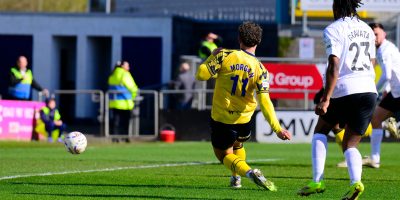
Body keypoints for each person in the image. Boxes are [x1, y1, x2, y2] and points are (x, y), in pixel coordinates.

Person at [196, 21, 292, 191]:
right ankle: (235, 179)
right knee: (238, 145)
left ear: (239, 38)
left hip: (223, 119)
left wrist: (212, 56)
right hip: (244, 121)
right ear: (258, 41)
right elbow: (265, 101)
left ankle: (248, 172)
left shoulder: (224, 55)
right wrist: (277, 129)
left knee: (224, 155)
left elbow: (201, 75)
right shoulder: (261, 69)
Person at [297, 1, 377, 199]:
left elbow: (334, 65)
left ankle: (317, 181)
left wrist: (326, 98)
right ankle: (355, 183)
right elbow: (372, 62)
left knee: (321, 131)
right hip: (368, 90)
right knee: (350, 144)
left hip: (344, 88)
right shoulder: (367, 29)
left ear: (337, 8)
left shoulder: (333, 29)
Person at [361, 23, 400, 168]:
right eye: (372, 35)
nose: (374, 37)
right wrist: (387, 88)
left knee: (376, 118)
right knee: (376, 118)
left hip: (398, 91)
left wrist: (374, 89)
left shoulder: (384, 50)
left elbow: (387, 75)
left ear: (384, 33)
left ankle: (395, 125)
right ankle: (375, 159)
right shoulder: (386, 48)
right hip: (395, 91)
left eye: (376, 34)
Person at [108, 61, 138, 135]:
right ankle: (126, 137)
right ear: (122, 66)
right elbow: (132, 88)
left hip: (114, 102)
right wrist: (133, 97)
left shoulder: (112, 74)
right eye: (127, 66)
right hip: (125, 102)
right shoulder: (125, 74)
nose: (128, 68)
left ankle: (114, 137)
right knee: (126, 122)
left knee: (116, 121)